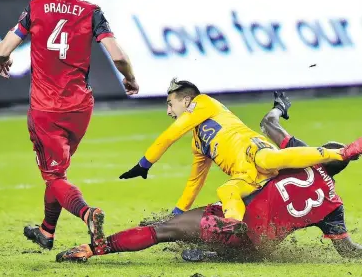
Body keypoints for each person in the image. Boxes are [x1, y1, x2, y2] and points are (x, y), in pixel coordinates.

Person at [56, 92, 362, 262]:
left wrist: (279, 107)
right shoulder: (334, 205)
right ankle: (212, 254)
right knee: (249, 245)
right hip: (255, 246)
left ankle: (95, 249)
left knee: (165, 230)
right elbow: (348, 250)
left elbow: (269, 124)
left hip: (233, 219)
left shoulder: (298, 156)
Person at [0, 0, 138, 252]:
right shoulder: (91, 11)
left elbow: (4, 47)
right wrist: (130, 79)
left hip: (46, 109)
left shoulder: (36, 7)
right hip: (80, 109)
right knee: (56, 171)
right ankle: (47, 231)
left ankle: (88, 213)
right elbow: (119, 56)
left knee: (54, 175)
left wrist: (3, 59)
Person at [119, 79, 362, 229]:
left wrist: (144, 163)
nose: (169, 111)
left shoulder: (204, 103)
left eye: (171, 104)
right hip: (247, 177)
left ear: (187, 100)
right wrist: (176, 215)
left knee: (270, 158)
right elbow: (195, 182)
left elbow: (170, 134)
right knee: (226, 191)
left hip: (254, 151)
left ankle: (341, 153)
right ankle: (232, 226)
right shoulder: (198, 143)